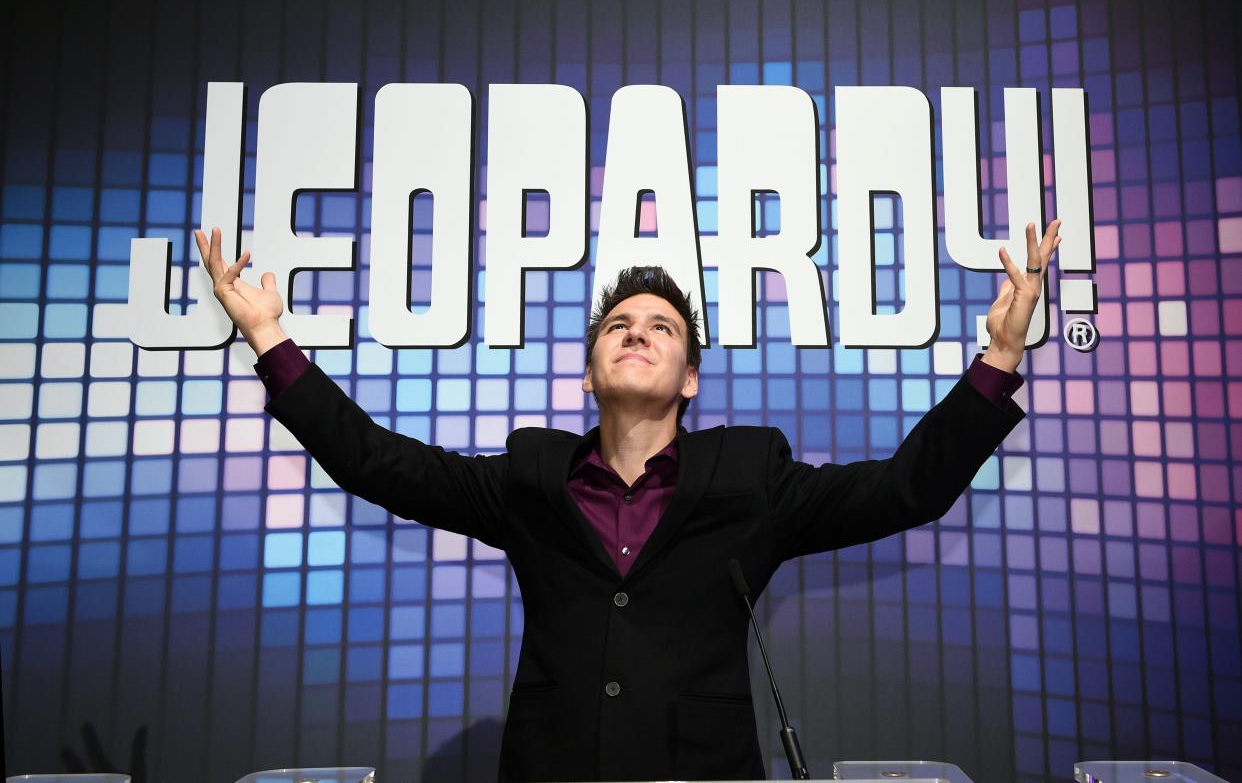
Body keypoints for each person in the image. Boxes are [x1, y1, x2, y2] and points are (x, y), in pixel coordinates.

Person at [195, 220, 1061, 781]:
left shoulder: (751, 476)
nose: (635, 331)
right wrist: (270, 337)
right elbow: (379, 463)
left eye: (661, 327)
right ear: (587, 373)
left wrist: (1001, 358)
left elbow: (907, 486)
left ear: (689, 379)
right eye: (617, 325)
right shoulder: (529, 477)